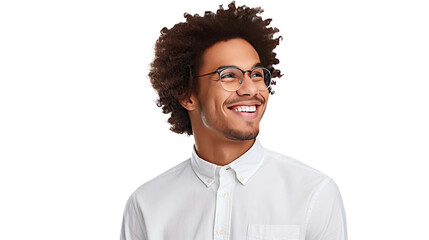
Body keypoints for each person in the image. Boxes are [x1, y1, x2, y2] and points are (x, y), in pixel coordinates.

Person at [120, 2, 347, 240]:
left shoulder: (313, 193)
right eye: (229, 75)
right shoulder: (147, 205)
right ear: (187, 95)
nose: (251, 89)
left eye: (257, 75)